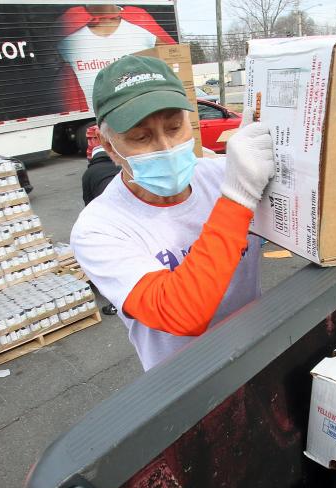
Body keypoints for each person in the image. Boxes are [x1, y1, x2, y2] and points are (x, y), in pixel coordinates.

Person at [70, 55, 275, 370]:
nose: (166, 147)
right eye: (141, 137)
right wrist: (238, 196)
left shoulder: (222, 174)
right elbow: (181, 312)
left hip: (257, 349)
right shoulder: (99, 229)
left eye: (174, 127)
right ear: (110, 147)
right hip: (184, 381)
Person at [56, 4, 176, 111]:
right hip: (90, 121)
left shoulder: (139, 20)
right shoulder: (66, 26)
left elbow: (176, 62)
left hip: (141, 115)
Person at [81, 129, 123, 315]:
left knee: (118, 270)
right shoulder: (121, 164)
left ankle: (116, 304)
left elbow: (89, 204)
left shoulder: (89, 174)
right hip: (128, 215)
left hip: (111, 223)